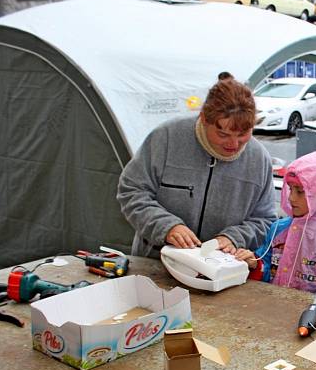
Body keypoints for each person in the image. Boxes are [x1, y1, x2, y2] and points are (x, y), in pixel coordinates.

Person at [117, 73, 276, 257]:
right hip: (155, 264)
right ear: (204, 118)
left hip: (220, 274)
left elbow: (264, 219)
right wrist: (166, 226)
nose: (233, 144)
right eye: (223, 134)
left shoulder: (259, 160)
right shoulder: (166, 138)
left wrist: (234, 238)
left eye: (242, 135)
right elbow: (132, 191)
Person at [235, 149, 316, 303]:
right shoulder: (279, 229)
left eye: (301, 192)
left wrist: (298, 301)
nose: (291, 198)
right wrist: (255, 264)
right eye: (290, 188)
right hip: (273, 313)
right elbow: (269, 270)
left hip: (312, 323)